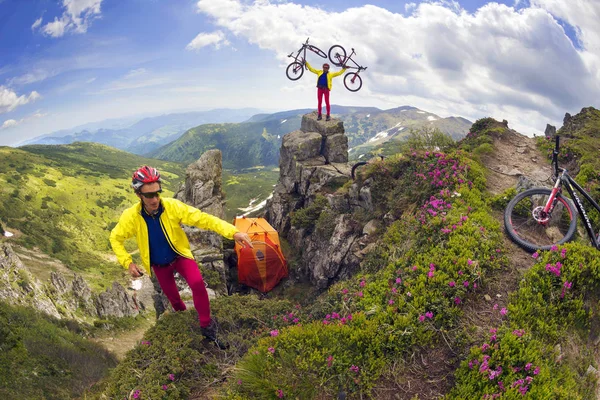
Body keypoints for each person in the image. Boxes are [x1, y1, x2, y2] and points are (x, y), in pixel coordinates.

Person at [109, 166, 253, 349]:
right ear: (138, 195)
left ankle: (207, 327)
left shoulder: (171, 206)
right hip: (159, 266)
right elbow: (115, 238)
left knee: (198, 284)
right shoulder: (131, 217)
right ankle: (184, 322)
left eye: (157, 193)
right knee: (174, 300)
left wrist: (233, 233)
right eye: (149, 195)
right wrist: (128, 263)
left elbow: (203, 219)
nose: (155, 199)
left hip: (180, 257)